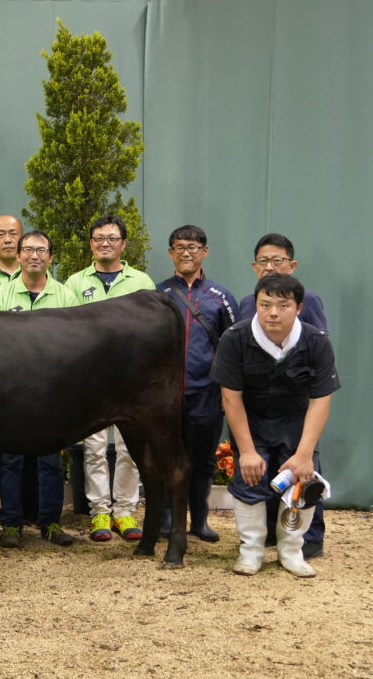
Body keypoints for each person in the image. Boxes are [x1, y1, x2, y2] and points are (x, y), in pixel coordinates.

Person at [211, 274, 339, 577]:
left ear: (298, 307)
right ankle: (251, 551)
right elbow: (231, 399)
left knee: (303, 481)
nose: (273, 312)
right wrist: (247, 451)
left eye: (283, 305)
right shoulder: (234, 338)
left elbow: (321, 400)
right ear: (255, 305)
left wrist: (304, 453)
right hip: (250, 421)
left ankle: (291, 551)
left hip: (297, 423)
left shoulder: (316, 341)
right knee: (249, 480)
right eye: (265, 304)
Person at [236, 232, 329, 560]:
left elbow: (319, 352)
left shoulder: (309, 300)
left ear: (292, 265)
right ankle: (265, 538)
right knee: (261, 472)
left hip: (297, 405)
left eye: (277, 261)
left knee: (304, 470)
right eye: (263, 261)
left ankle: (310, 539)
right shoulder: (248, 303)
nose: (270, 267)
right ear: (254, 266)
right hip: (256, 403)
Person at [65, 214, 155, 542]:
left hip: (132, 379)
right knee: (93, 446)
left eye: (112, 238)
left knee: (131, 446)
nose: (105, 243)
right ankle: (100, 512)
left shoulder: (141, 282)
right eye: (99, 238)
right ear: (91, 244)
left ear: (123, 244)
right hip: (91, 379)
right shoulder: (74, 283)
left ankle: (126, 511)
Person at [0, 231, 78, 548]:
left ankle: (50, 522)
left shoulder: (65, 297)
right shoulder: (1, 297)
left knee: (50, 461)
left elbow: (76, 346)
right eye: (28, 250)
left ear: (51, 257)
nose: (34, 255)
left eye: (41, 250)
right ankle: (11, 524)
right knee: (11, 460)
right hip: (11, 396)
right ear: (19, 255)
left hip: (52, 396)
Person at [155, 226, 238, 542]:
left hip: (207, 393)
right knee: (167, 458)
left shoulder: (221, 296)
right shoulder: (158, 294)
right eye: (179, 246)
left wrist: (226, 393)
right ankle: (165, 519)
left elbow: (232, 347)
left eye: (193, 246)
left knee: (203, 460)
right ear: (170, 253)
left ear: (204, 251)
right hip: (165, 396)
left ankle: (199, 521)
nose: (186, 252)